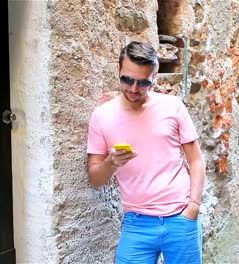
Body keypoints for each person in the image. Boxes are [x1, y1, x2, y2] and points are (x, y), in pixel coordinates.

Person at [86, 41, 206, 264]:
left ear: (155, 75)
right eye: (127, 79)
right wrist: (111, 163)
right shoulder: (101, 116)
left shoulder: (173, 106)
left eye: (143, 83)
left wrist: (194, 206)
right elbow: (95, 178)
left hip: (180, 218)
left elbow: (196, 160)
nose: (133, 88)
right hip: (137, 223)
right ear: (118, 70)